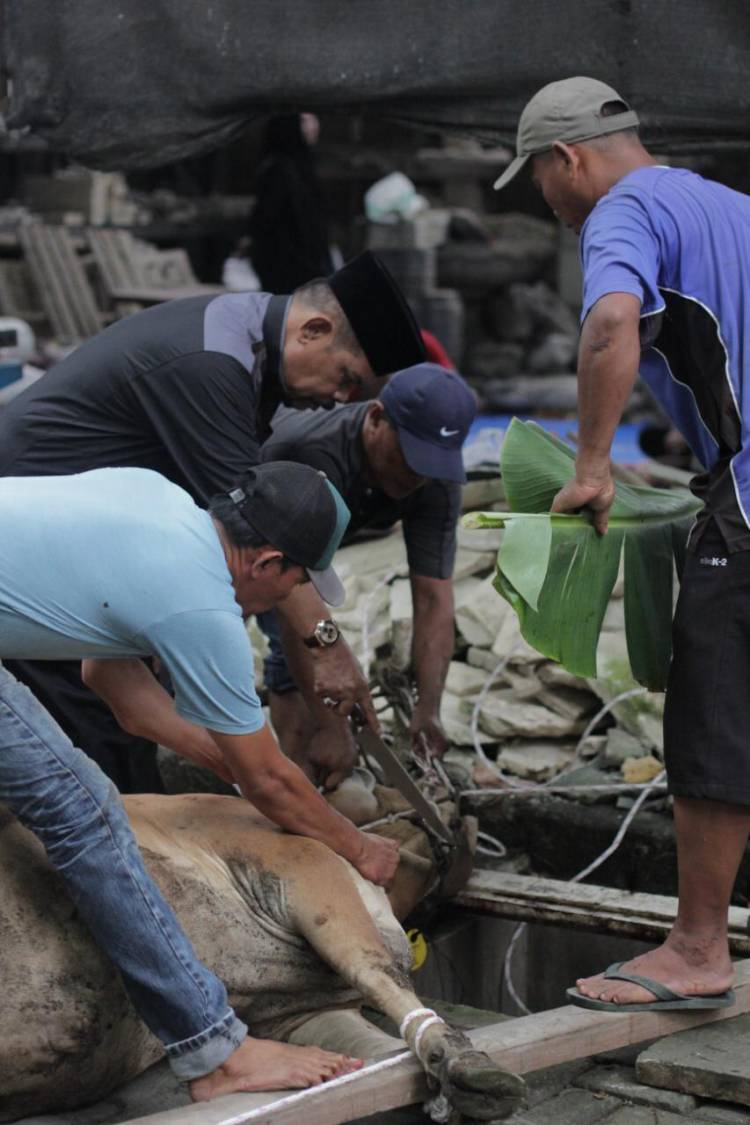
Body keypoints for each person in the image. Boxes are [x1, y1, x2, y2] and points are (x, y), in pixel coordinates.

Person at [0, 460, 400, 1098]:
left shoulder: (159, 501)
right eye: (296, 582)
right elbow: (269, 781)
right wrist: (359, 848)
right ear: (266, 563)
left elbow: (113, 685)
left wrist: (225, 759)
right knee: (84, 813)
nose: (284, 600)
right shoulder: (198, 599)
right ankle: (214, 1049)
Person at [495, 75, 750, 1012]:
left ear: (567, 160)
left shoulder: (621, 208)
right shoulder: (724, 203)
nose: (551, 207)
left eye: (540, 184)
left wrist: (593, 465)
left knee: (715, 705)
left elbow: (611, 322)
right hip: (736, 469)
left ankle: (695, 946)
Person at [0, 250, 425, 791]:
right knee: (98, 769)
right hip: (40, 545)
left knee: (129, 736)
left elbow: (262, 562)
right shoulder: (213, 364)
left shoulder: (252, 345)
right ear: (314, 330)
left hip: (99, 553)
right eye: (346, 378)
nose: (340, 400)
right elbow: (261, 534)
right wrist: (330, 650)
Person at [258, 363, 477, 787]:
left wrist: (427, 709)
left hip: (300, 555)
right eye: (408, 458)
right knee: (290, 652)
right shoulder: (312, 451)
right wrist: (331, 725)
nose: (416, 477)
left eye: (430, 466)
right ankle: (288, 789)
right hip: (249, 537)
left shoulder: (433, 479)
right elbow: (290, 591)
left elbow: (434, 597)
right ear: (375, 418)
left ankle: (303, 794)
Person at [248, 112, 333, 293]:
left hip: (303, 263)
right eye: (303, 121)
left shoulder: (300, 167)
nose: (313, 126)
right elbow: (267, 218)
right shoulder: (279, 171)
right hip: (287, 263)